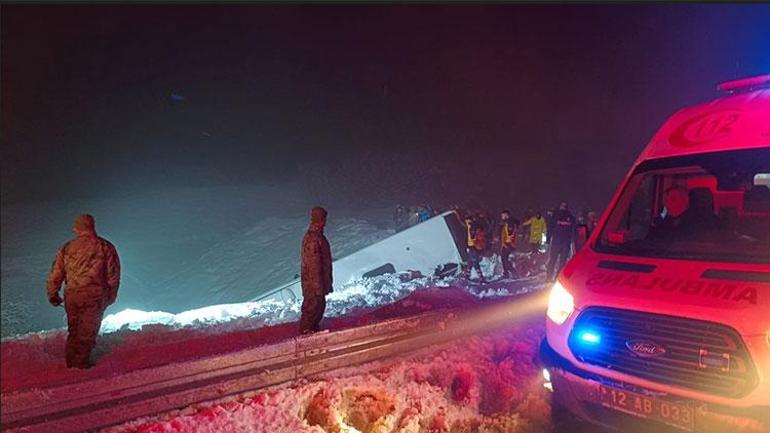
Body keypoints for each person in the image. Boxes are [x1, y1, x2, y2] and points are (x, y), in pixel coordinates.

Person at [46, 214, 120, 369]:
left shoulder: (66, 248)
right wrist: (111, 295)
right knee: (88, 331)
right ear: (92, 226)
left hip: (73, 294)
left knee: (74, 330)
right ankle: (80, 367)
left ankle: (72, 364)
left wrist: (53, 293)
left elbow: (56, 272)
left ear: (76, 228)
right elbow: (113, 274)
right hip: (95, 295)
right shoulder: (105, 246)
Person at [299, 207, 333, 334]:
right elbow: (313, 264)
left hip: (317, 283)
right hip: (313, 285)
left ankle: (311, 330)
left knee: (318, 307)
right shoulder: (313, 238)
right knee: (312, 308)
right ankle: (306, 333)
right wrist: (318, 286)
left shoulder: (317, 236)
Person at [546, 202, 575, 282]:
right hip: (559, 241)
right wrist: (548, 239)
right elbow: (550, 227)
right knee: (554, 260)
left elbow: (574, 230)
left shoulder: (569, 217)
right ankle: (550, 277)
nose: (563, 208)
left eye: (564, 206)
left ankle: (555, 278)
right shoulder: (556, 216)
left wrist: (573, 241)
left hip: (563, 242)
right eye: (562, 206)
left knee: (559, 261)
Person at [464, 216, 487, 282]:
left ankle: (481, 278)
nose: (466, 223)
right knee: (470, 262)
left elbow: (473, 238)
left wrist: (473, 246)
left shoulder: (473, 228)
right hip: (472, 246)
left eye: (467, 221)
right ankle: (467, 275)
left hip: (473, 247)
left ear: (469, 221)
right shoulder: (470, 227)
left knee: (475, 262)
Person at [498, 210, 518, 279]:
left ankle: (513, 272)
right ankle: (506, 273)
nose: (502, 217)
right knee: (503, 259)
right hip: (506, 244)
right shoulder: (506, 223)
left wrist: (507, 243)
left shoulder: (510, 223)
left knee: (504, 259)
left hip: (509, 244)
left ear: (506, 215)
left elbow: (510, 234)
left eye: (503, 215)